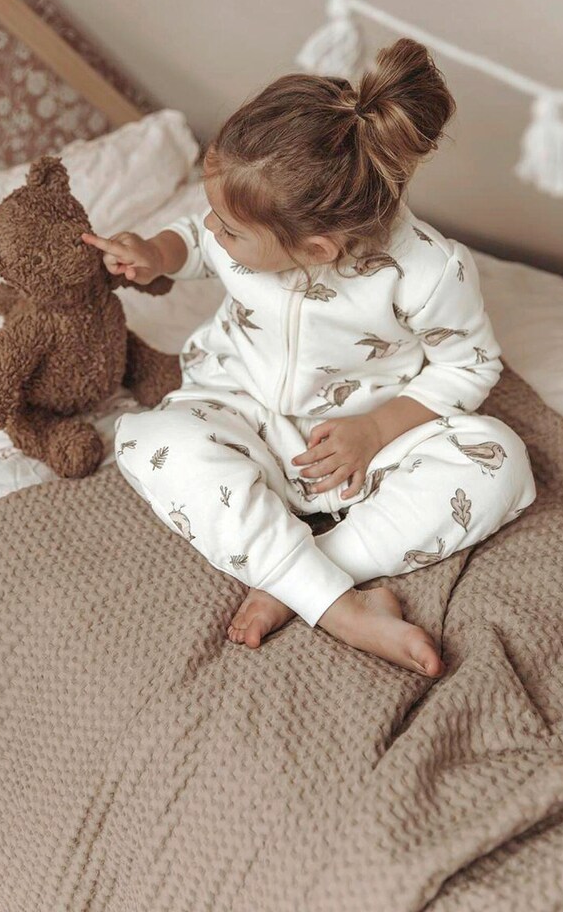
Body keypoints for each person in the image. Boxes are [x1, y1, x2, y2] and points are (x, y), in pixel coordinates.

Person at [81, 38, 536, 676]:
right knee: (151, 439)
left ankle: (301, 574)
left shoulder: (429, 271)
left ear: (317, 251)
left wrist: (376, 429)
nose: (211, 230)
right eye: (213, 214)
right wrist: (159, 254)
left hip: (364, 441)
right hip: (238, 409)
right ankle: (336, 605)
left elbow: (470, 364)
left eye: (229, 230)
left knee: (500, 462)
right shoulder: (239, 218)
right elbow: (197, 241)